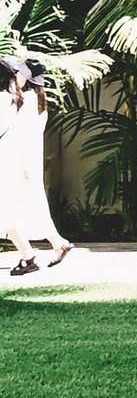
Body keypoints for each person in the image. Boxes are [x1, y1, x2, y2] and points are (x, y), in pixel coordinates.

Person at [0, 58, 70, 273]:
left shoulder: (15, 100)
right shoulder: (37, 101)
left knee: (8, 209)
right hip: (22, 160)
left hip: (13, 160)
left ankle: (30, 255)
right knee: (24, 207)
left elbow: (16, 134)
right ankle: (51, 246)